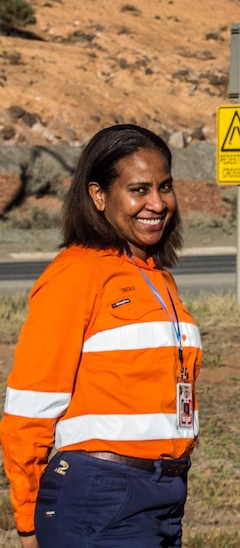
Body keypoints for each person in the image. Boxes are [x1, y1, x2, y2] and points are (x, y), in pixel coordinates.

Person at [0, 124, 203, 548]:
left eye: (165, 187)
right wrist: (27, 519)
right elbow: (29, 410)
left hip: (163, 494)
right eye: (139, 189)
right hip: (99, 496)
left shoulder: (157, 277)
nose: (157, 203)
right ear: (98, 196)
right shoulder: (76, 274)